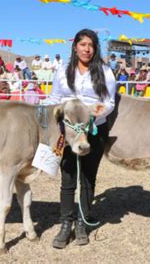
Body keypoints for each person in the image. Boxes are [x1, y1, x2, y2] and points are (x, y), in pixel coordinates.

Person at [50, 28, 116, 249]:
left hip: (93, 129)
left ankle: (82, 222)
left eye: (91, 45)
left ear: (95, 48)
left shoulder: (105, 71)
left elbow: (109, 102)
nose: (87, 49)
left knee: (88, 178)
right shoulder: (62, 71)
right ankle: (65, 223)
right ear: (75, 46)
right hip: (67, 133)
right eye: (83, 44)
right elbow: (54, 98)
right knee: (68, 178)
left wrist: (93, 113)